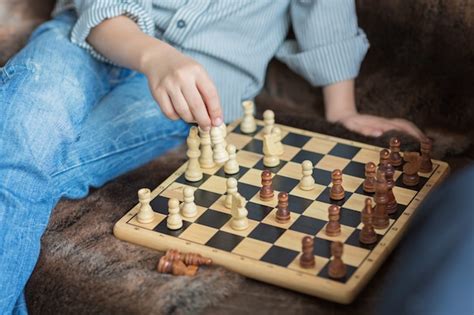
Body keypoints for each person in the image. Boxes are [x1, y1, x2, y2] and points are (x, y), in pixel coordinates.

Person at [0, 1, 423, 313]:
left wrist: (342, 109)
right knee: (21, 145)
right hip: (89, 37)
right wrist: (155, 55)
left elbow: (325, 11)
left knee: (24, 161)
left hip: (200, 86)